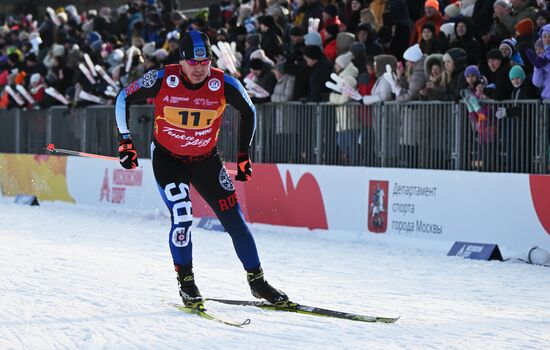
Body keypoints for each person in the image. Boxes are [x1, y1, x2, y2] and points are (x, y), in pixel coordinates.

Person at [114, 30, 288, 308]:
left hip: (206, 160)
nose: (200, 68)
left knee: (235, 221)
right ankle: (187, 283)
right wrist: (125, 141)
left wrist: (243, 154)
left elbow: (249, 111)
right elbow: (124, 97)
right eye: (193, 63)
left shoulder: (223, 83)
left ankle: (257, 282)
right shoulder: (162, 78)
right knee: (182, 217)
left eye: (205, 62)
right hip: (168, 160)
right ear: (181, 61)